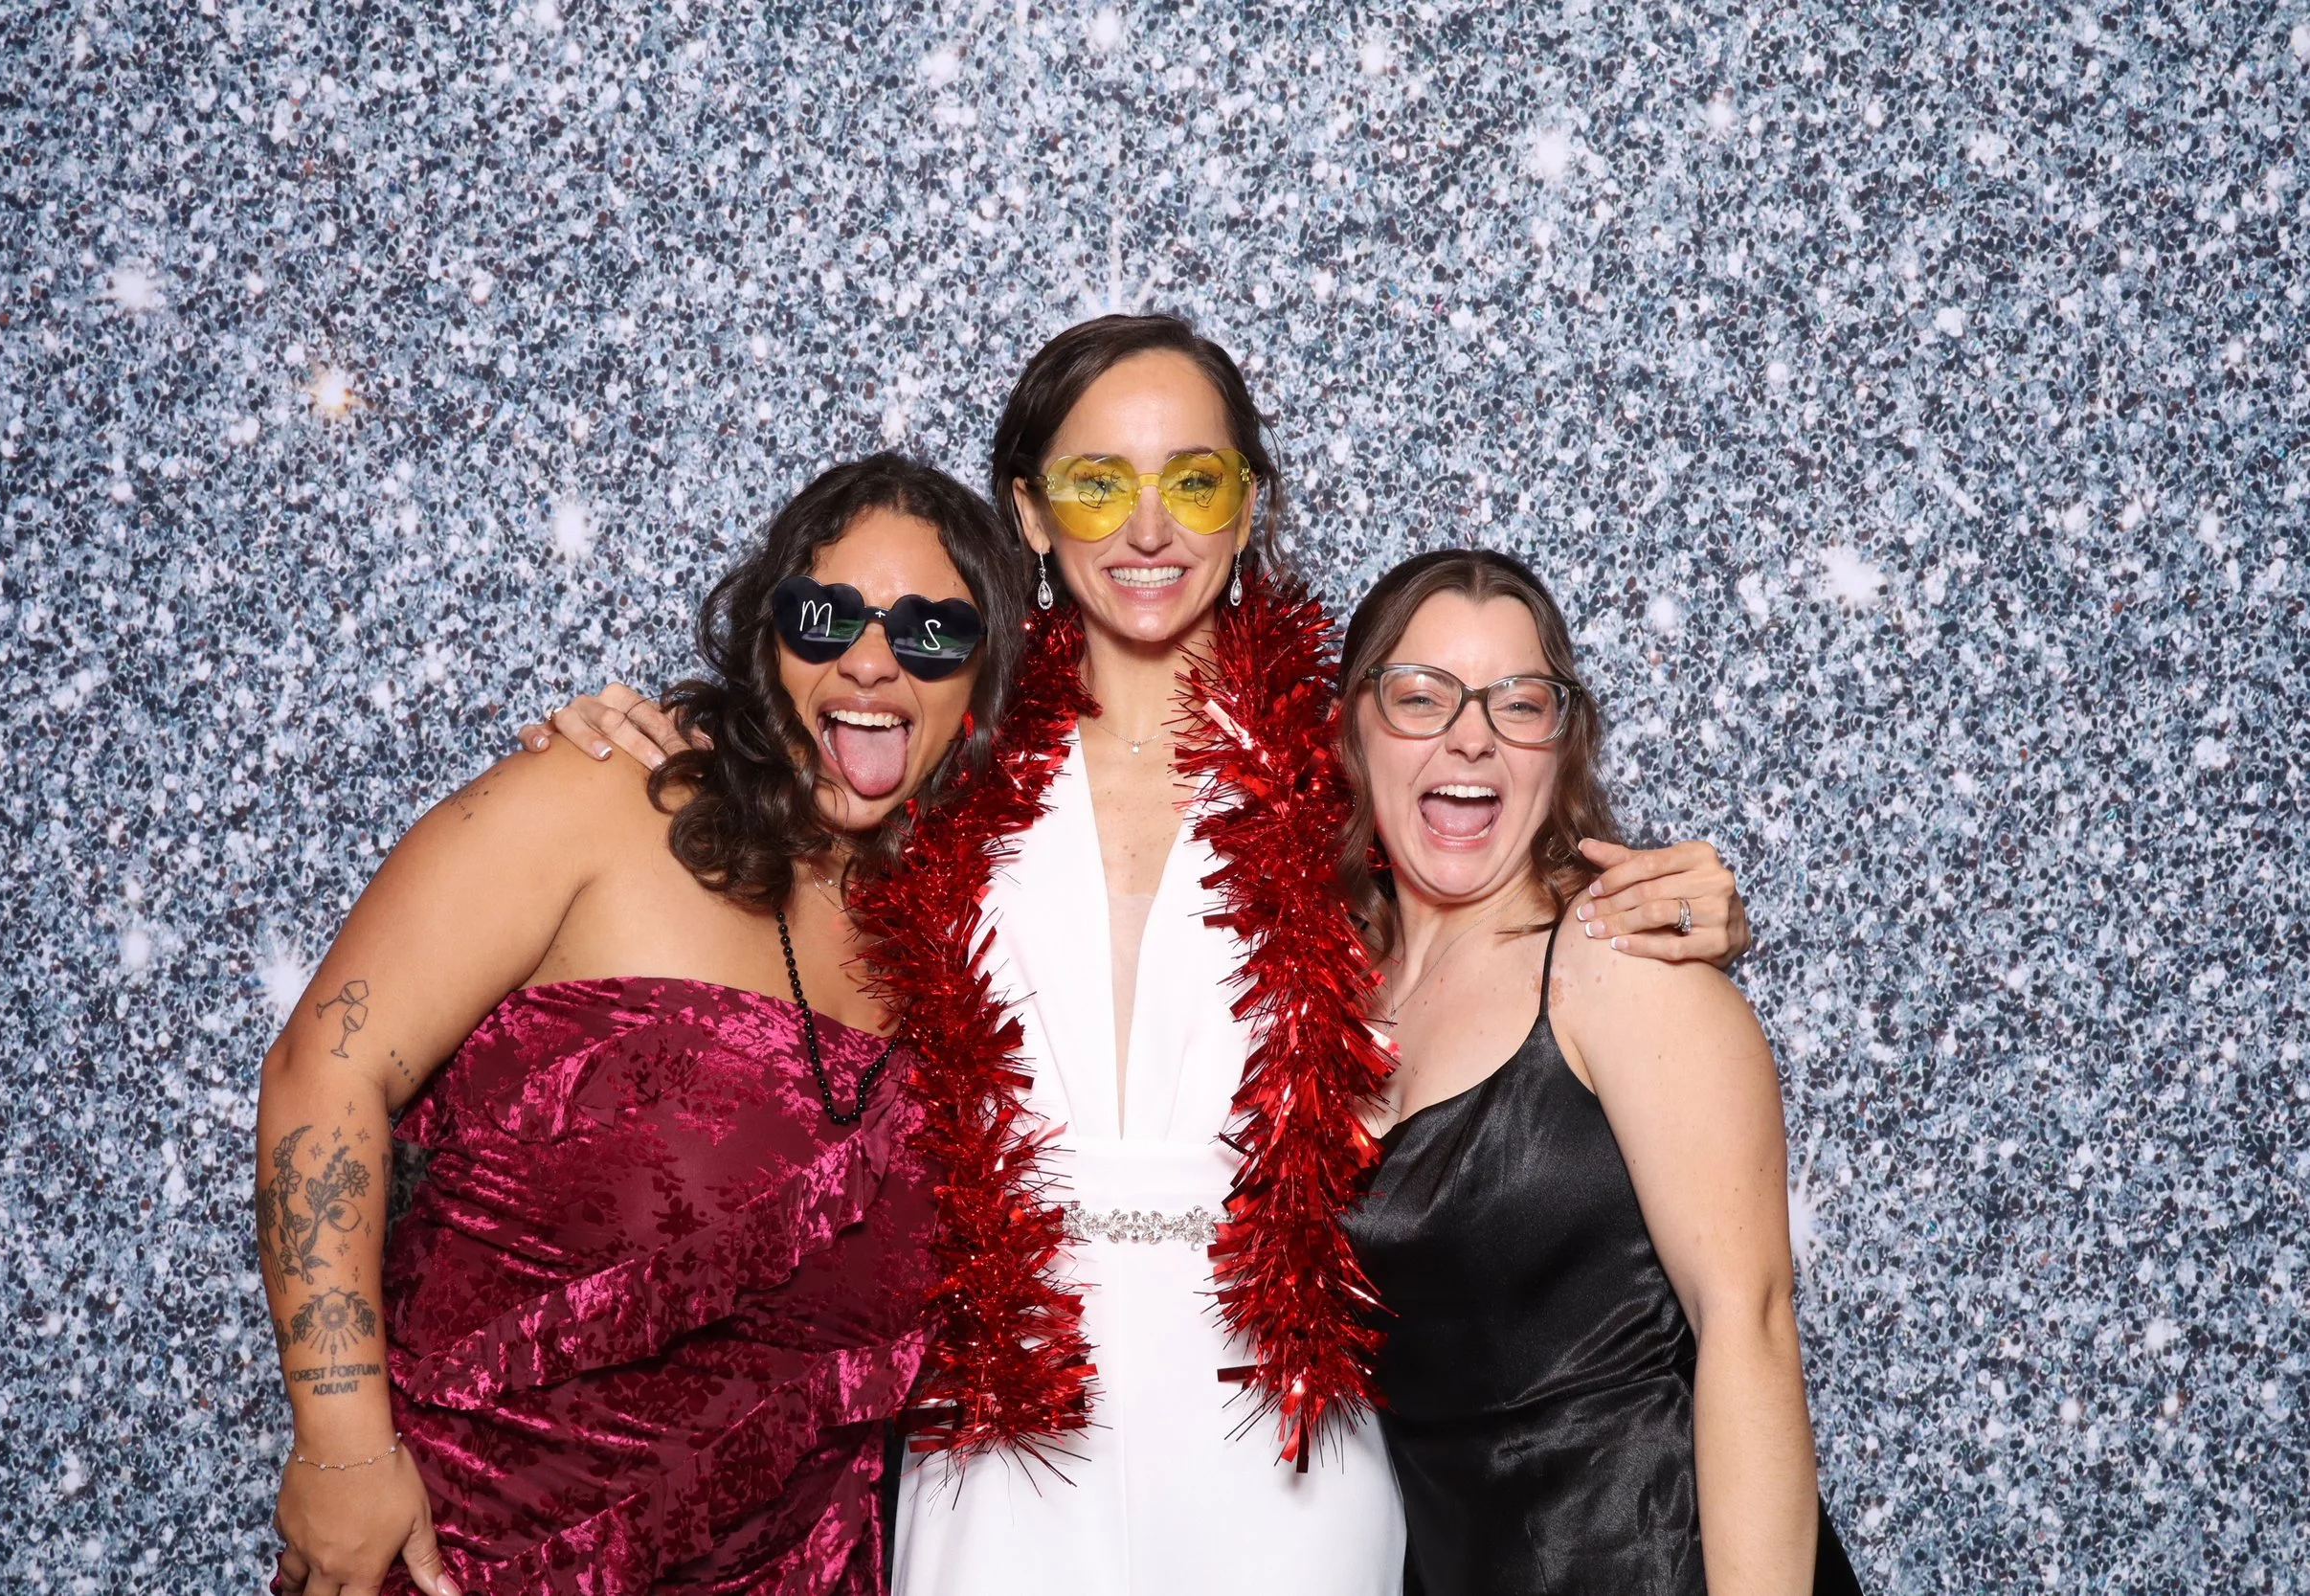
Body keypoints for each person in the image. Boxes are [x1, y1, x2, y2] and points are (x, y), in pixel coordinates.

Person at [527, 315, 1752, 1596]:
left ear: (1248, 506)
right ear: (1031, 514)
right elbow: (789, 781)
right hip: (999, 1416)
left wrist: (1684, 902)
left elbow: (1496, 863)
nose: (1150, 528)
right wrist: (638, 738)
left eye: (1195, 480)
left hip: (1277, 1422)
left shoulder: (1344, 753)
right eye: (1099, 482)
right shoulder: (945, 745)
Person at [255, 454, 1027, 1596]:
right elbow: (323, 1070)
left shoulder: (972, 936)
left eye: (930, 632)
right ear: (769, 640)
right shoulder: (602, 796)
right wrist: (339, 1442)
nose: (869, 658)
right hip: (473, 1554)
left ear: (985, 678)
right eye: (824, 617)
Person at [1334, 550, 1858, 1596]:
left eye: (1519, 702)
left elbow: (1745, 1322)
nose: (1470, 733)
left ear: (1559, 743)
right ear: (1350, 730)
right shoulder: (1323, 986)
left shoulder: (1618, 958)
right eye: (1420, 695)